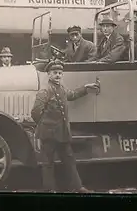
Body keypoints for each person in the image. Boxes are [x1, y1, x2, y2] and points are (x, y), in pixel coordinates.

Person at [30, 60, 99, 193]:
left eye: (60, 73)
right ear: (49, 74)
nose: (58, 75)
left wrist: (85, 88)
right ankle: (50, 189)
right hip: (49, 134)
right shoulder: (45, 90)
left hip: (62, 133)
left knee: (69, 161)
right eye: (55, 73)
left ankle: (78, 187)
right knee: (48, 163)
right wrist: (45, 125)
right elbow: (35, 112)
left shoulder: (61, 88)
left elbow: (71, 95)